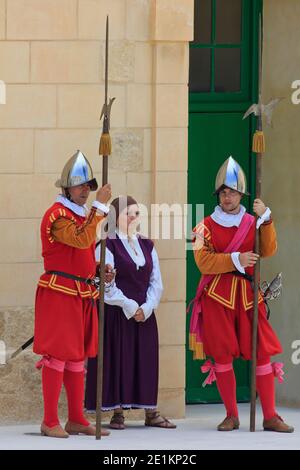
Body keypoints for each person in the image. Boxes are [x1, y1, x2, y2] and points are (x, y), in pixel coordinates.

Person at [189, 156, 294, 433]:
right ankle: (232, 415)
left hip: (249, 296)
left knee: (261, 354)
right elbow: (203, 262)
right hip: (217, 297)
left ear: (241, 195)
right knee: (222, 356)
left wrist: (267, 219)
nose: (228, 196)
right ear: (218, 195)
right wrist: (236, 258)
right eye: (224, 192)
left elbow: (269, 250)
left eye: (232, 192)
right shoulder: (202, 227)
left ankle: (270, 416)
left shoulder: (255, 222)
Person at [33, 150, 111, 438]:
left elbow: (82, 253)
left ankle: (76, 418)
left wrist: (98, 268)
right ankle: (49, 420)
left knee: (78, 357)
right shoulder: (57, 215)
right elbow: (80, 240)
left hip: (81, 292)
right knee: (57, 357)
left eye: (88, 186)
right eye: (80, 186)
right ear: (66, 187)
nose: (85, 191)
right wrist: (100, 207)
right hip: (59, 292)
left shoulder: (81, 215)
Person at [85, 196, 176, 429]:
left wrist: (146, 307)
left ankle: (151, 412)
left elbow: (156, 281)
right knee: (117, 360)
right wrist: (128, 305)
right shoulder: (106, 245)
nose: (134, 218)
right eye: (129, 213)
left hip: (144, 314)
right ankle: (117, 413)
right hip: (117, 313)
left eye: (137, 213)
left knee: (145, 360)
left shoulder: (147, 245)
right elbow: (104, 283)